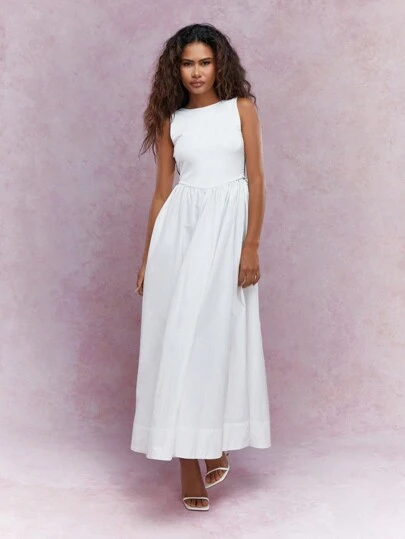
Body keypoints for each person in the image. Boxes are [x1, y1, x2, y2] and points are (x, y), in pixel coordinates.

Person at [131, 23, 271, 512]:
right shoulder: (172, 120)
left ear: (219, 65)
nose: (196, 72)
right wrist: (148, 258)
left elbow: (256, 178)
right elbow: (161, 194)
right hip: (180, 238)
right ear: (176, 68)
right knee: (179, 342)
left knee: (217, 339)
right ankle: (190, 463)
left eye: (204, 62)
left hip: (228, 235)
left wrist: (251, 246)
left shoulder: (242, 109)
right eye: (187, 63)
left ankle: (214, 440)